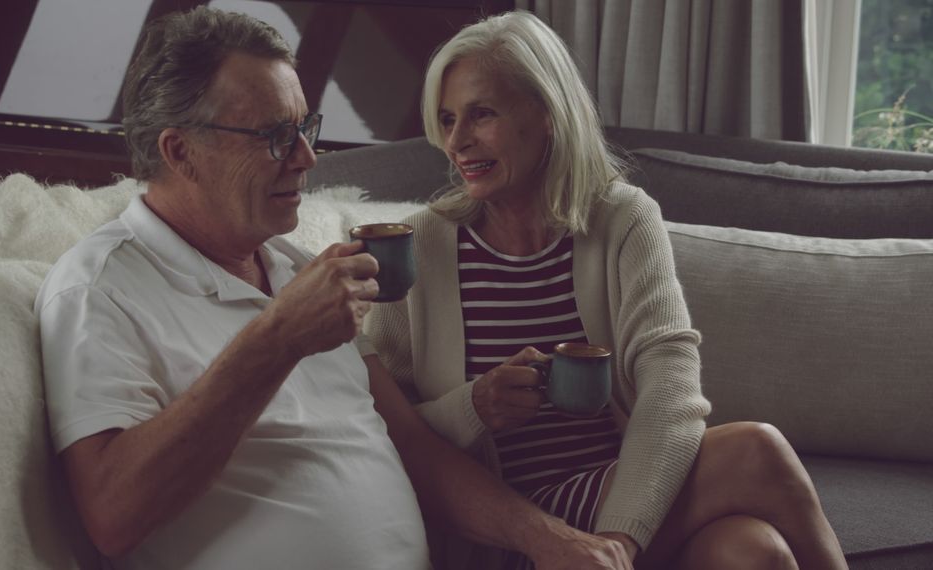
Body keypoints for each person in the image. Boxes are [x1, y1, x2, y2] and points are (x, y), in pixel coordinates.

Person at [35, 7, 638, 570]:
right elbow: (112, 514)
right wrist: (276, 339)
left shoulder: (296, 269)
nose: (305, 158)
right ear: (180, 151)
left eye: (305, 128)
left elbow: (415, 449)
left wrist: (550, 540)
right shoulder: (99, 286)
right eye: (274, 136)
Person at [365, 10, 849, 570]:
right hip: (498, 529)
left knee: (751, 550)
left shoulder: (623, 221)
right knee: (758, 452)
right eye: (448, 119)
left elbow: (671, 392)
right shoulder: (422, 243)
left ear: (546, 113)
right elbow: (383, 423)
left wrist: (617, 542)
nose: (457, 141)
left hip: (615, 503)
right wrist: (471, 408)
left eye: (482, 114)